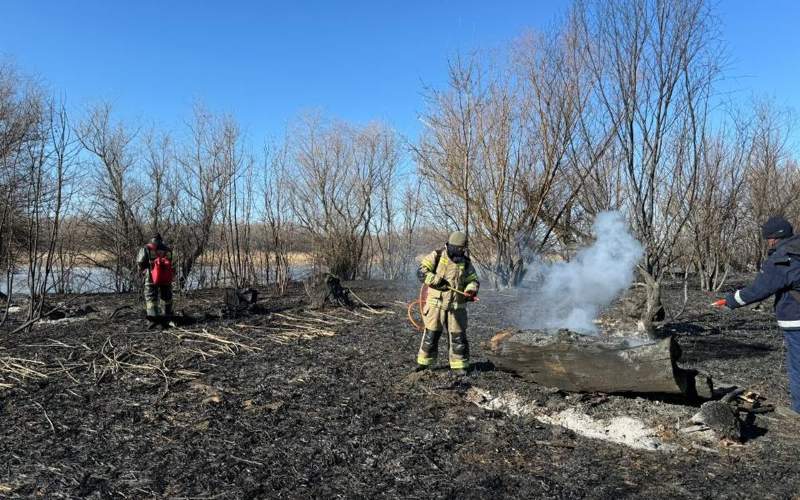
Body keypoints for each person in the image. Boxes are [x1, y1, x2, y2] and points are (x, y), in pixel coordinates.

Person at [714, 216, 800, 417]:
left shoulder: (783, 258)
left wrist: (730, 301)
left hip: (797, 321)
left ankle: (798, 413)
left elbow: (759, 290)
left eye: (768, 239)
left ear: (773, 239)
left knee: (798, 366)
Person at [415, 230, 480, 375]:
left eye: (464, 250)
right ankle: (424, 365)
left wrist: (470, 290)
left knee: (458, 338)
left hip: (457, 307)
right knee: (431, 336)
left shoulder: (465, 262)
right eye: (460, 249)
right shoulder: (436, 256)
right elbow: (421, 272)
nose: (462, 252)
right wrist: (437, 281)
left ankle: (459, 366)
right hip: (435, 305)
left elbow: (473, 280)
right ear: (454, 246)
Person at [136, 233, 175, 328]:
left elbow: (140, 261)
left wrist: (143, 269)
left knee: (151, 296)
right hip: (165, 276)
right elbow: (170, 262)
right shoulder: (167, 249)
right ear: (161, 240)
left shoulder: (146, 248)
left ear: (152, 239)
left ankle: (153, 318)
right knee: (166, 296)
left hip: (151, 276)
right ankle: (167, 317)